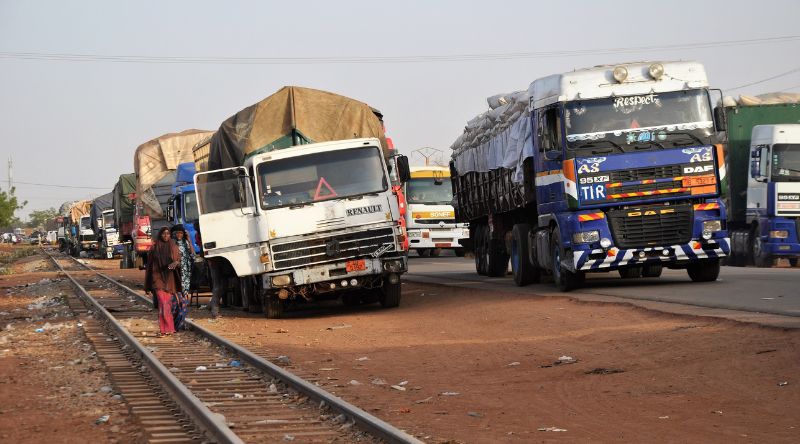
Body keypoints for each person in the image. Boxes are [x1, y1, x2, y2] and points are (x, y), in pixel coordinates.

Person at [144, 227, 181, 336]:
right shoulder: (154, 248)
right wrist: (147, 285)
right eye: (163, 234)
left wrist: (176, 263)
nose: (166, 236)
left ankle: (167, 329)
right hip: (158, 279)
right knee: (163, 303)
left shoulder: (173, 247)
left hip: (170, 279)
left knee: (166, 305)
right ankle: (167, 328)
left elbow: (179, 262)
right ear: (160, 235)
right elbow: (149, 267)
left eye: (168, 234)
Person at [171, 225, 194, 330]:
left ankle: (181, 322)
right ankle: (178, 323)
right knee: (178, 300)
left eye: (181, 233)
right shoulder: (172, 244)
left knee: (185, 297)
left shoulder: (186, 243)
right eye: (177, 233)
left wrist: (189, 240)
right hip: (177, 274)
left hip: (186, 274)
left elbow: (192, 254)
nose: (179, 235)